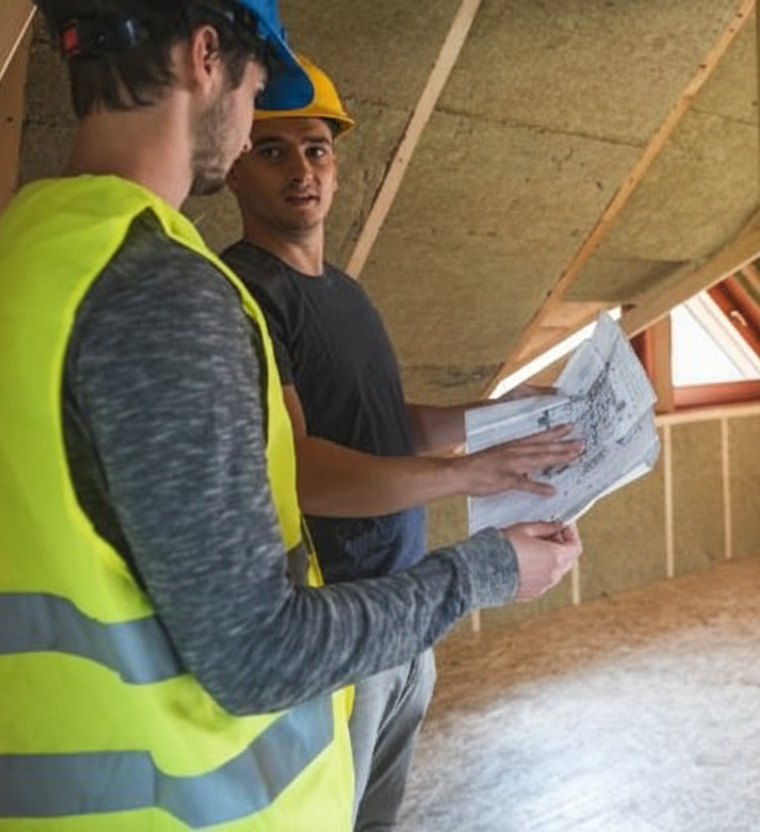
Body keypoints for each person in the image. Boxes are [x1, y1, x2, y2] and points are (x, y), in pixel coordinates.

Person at [0, 2, 581, 830]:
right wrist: (486, 572)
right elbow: (258, 655)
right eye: (258, 82)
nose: (255, 117)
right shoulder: (162, 293)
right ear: (206, 57)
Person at [221, 55, 583, 830]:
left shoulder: (343, 292)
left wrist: (493, 420)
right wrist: (466, 477)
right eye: (272, 150)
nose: (301, 170)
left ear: (339, 169)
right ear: (233, 171)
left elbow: (389, 424)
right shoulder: (246, 292)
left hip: (404, 606)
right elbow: (303, 471)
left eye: (317, 149)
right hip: (333, 618)